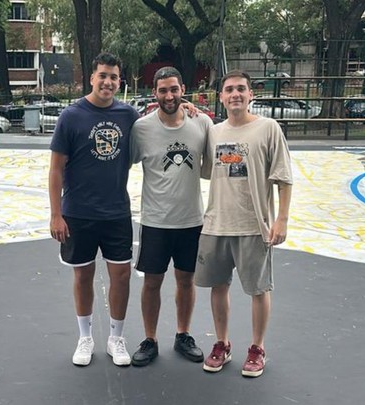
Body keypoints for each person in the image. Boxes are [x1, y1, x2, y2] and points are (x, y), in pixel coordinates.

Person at [195, 70, 293, 378]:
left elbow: (283, 178)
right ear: (221, 97)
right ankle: (222, 343)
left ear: (251, 94)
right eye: (229, 90)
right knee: (217, 286)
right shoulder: (213, 131)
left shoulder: (268, 128)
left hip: (254, 225)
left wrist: (282, 219)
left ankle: (257, 347)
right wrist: (191, 111)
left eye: (241, 89)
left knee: (258, 289)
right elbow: (209, 170)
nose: (235, 94)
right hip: (216, 223)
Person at [48, 52, 139, 367]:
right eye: (103, 75)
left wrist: (187, 108)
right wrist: (55, 213)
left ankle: (116, 337)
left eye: (114, 77)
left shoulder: (129, 116)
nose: (108, 82)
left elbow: (161, 127)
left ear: (119, 80)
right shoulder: (71, 116)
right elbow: (56, 169)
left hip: (116, 212)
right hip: (78, 213)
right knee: (83, 275)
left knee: (122, 276)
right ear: (92, 77)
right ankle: (85, 337)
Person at [129, 66, 213, 367]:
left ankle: (183, 334)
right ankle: (150, 339)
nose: (169, 95)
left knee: (186, 281)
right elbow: (120, 163)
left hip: (191, 220)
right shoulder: (141, 128)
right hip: (155, 220)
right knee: (151, 282)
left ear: (183, 89)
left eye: (174, 89)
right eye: (163, 90)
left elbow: (214, 166)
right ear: (155, 93)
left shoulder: (201, 122)